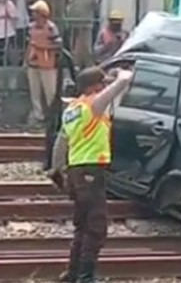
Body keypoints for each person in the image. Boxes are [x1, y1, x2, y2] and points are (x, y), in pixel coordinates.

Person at [49, 66, 134, 283]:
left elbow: (61, 142)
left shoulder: (71, 109)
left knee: (82, 226)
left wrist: (57, 170)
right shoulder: (93, 105)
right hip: (91, 171)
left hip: (76, 171)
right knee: (96, 228)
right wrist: (124, 74)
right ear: (94, 87)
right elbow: (120, 86)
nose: (105, 87)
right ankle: (85, 277)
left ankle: (72, 274)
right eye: (102, 84)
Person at [26, 0, 62, 123]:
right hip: (33, 64)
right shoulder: (31, 27)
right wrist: (26, 60)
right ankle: (38, 115)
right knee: (34, 92)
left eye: (35, 12)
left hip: (47, 65)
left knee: (50, 92)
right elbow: (29, 44)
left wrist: (43, 47)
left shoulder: (51, 28)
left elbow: (58, 45)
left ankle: (52, 117)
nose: (33, 15)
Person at [66, 0, 100, 69]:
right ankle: (74, 66)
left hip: (86, 23)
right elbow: (67, 1)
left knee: (86, 48)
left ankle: (86, 67)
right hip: (73, 22)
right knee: (73, 48)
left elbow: (95, 4)